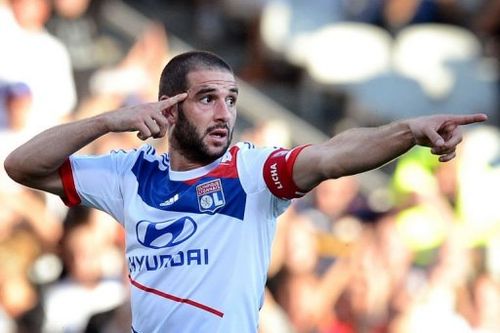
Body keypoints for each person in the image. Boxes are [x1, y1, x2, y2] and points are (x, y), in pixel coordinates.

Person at [3, 50, 487, 332]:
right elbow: (21, 165)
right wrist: (109, 119)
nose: (224, 113)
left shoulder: (251, 171)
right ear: (169, 108)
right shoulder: (129, 173)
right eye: (208, 99)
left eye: (231, 100)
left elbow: (334, 156)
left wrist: (409, 131)